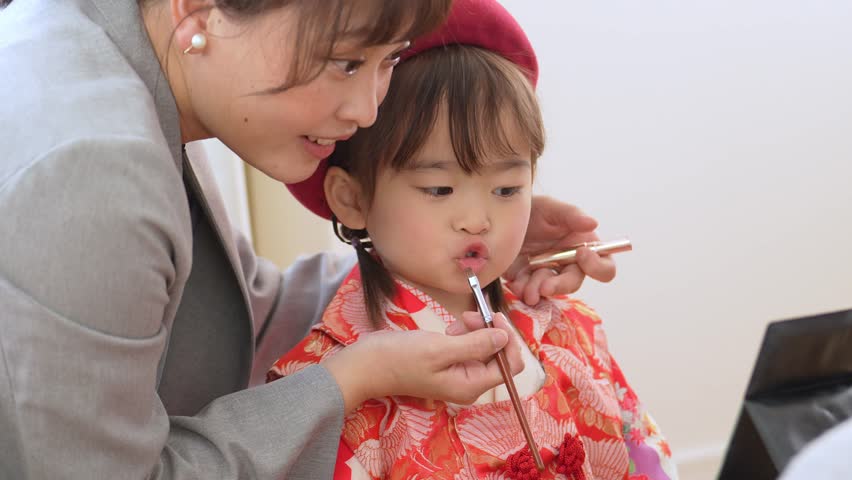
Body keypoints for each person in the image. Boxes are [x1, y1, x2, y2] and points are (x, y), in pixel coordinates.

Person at [0, 0, 619, 478]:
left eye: (388, 61)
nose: (367, 110)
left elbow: (237, 309)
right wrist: (349, 379)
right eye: (346, 62)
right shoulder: (88, 170)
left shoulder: (140, 60)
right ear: (197, 9)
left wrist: (437, 259)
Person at [267, 1, 678, 478]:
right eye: (439, 189)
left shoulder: (568, 329)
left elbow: (643, 461)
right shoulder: (328, 384)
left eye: (506, 190)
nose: (477, 220)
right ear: (352, 198)